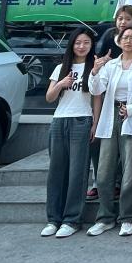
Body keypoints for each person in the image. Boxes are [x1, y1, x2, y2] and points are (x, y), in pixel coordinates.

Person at [86, 24, 132, 238]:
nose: (128, 41)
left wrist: (131, 109)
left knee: (130, 171)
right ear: (118, 41)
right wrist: (95, 71)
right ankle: (105, 217)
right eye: (124, 37)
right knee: (104, 172)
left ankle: (127, 217)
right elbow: (97, 89)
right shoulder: (111, 64)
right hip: (110, 115)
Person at [42, 27, 101, 238]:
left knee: (77, 173)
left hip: (82, 120)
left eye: (86, 42)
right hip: (59, 120)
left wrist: (95, 124)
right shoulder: (61, 67)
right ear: (71, 45)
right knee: (56, 172)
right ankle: (53, 219)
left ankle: (71, 220)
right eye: (78, 42)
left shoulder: (94, 67)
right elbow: (49, 97)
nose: (81, 46)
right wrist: (60, 84)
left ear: (91, 45)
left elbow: (97, 98)